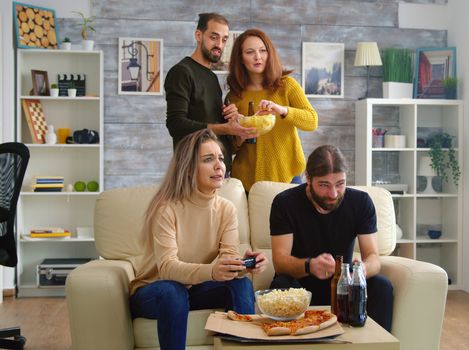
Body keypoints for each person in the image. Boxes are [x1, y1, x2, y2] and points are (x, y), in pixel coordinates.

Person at [129, 128, 268, 350]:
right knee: (172, 291)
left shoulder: (226, 209)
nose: (219, 166)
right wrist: (212, 272)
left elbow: (227, 261)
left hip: (194, 289)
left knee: (240, 284)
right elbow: (166, 268)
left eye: (221, 158)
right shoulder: (166, 209)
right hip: (154, 292)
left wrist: (242, 265)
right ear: (188, 168)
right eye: (208, 159)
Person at [268, 145, 394, 331]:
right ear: (308, 179)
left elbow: (374, 258)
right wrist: (310, 265)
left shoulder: (361, 203)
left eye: (340, 184)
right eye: (324, 185)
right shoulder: (284, 203)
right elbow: (280, 262)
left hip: (344, 287)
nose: (333, 194)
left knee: (381, 286)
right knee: (282, 284)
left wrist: (359, 272)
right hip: (300, 285)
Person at [226, 28, 318, 191]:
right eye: (250, 52)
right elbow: (231, 148)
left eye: (263, 50)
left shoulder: (287, 85)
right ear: (240, 58)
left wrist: (283, 110)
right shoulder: (234, 96)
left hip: (288, 175)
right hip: (245, 180)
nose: (258, 57)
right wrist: (240, 133)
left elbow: (312, 121)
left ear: (270, 53)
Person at [164, 13, 255, 172]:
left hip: (219, 172)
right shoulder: (181, 72)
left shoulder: (212, 77)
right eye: (214, 37)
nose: (219, 44)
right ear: (198, 35)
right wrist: (226, 128)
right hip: (193, 172)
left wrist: (232, 121)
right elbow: (175, 124)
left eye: (224, 39)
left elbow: (214, 130)